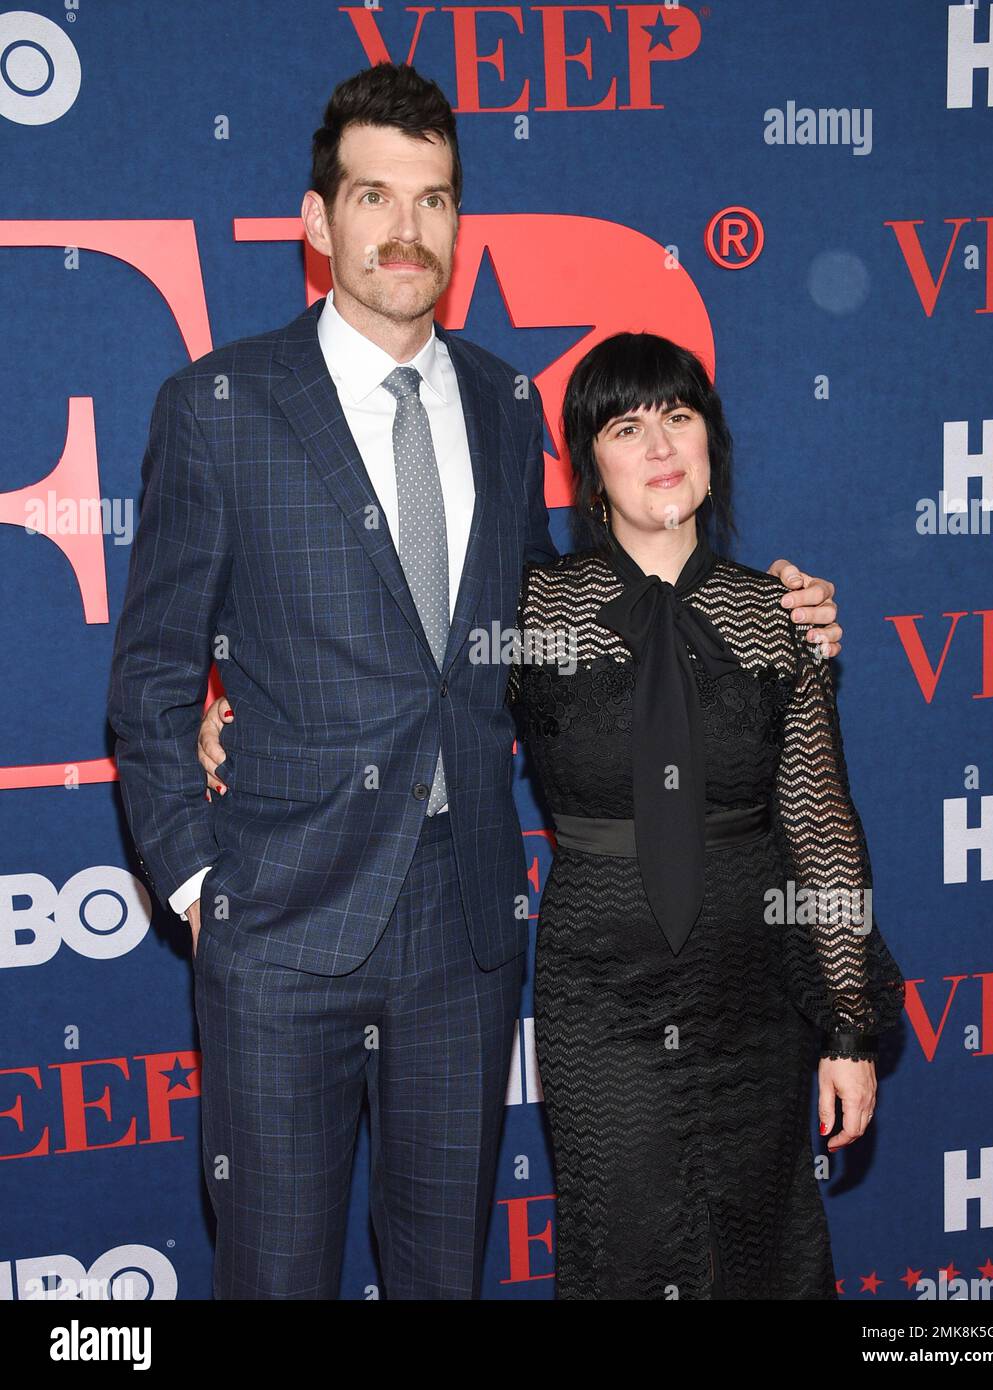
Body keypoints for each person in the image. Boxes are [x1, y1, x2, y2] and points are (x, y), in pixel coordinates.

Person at [114, 62, 840, 1301]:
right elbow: (150, 679)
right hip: (280, 931)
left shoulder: (511, 403)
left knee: (443, 1273)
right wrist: (195, 883)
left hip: (464, 932)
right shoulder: (219, 406)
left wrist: (759, 611)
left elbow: (557, 623)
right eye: (373, 196)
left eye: (434, 200)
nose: (405, 231)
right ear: (315, 220)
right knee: (276, 1275)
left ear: (460, 219)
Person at [507, 332, 905, 1298]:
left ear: (711, 442)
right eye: (626, 426)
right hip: (602, 985)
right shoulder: (529, 607)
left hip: (752, 978)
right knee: (624, 1242)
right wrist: (232, 718)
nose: (659, 447)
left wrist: (849, 1028)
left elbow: (819, 830)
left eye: (679, 418)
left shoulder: (777, 615)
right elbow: (403, 697)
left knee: (764, 1239)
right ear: (588, 467)